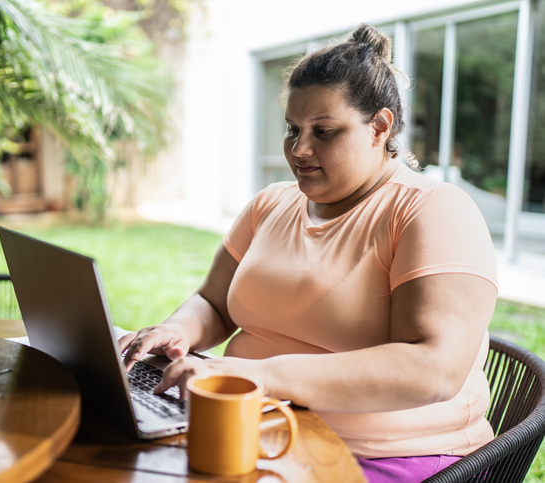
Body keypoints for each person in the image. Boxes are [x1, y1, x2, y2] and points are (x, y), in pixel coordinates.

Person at [118, 24, 498, 483]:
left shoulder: (431, 211)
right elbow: (214, 303)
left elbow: (432, 370)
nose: (299, 149)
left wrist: (264, 376)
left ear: (379, 127)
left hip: (382, 457)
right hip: (262, 425)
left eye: (324, 131)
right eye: (293, 130)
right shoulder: (271, 203)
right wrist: (177, 329)